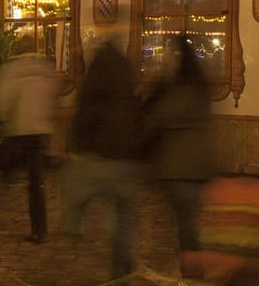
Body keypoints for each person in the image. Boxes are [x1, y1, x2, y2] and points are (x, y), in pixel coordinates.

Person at [63, 40, 142, 281]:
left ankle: (74, 226)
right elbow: (136, 115)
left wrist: (75, 145)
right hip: (124, 157)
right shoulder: (125, 77)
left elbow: (86, 113)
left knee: (77, 191)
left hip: (98, 154)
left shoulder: (96, 79)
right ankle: (123, 263)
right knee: (123, 213)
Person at [143, 40, 212, 258]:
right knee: (187, 218)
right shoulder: (201, 89)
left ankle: (190, 267)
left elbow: (155, 120)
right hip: (199, 165)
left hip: (177, 166)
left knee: (183, 222)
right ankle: (189, 262)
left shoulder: (177, 91)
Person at [0, 41, 60, 244]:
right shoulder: (45, 69)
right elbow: (53, 98)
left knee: (5, 174)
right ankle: (40, 230)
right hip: (39, 134)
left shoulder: (12, 69)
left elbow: (2, 99)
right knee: (36, 183)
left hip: (18, 132)